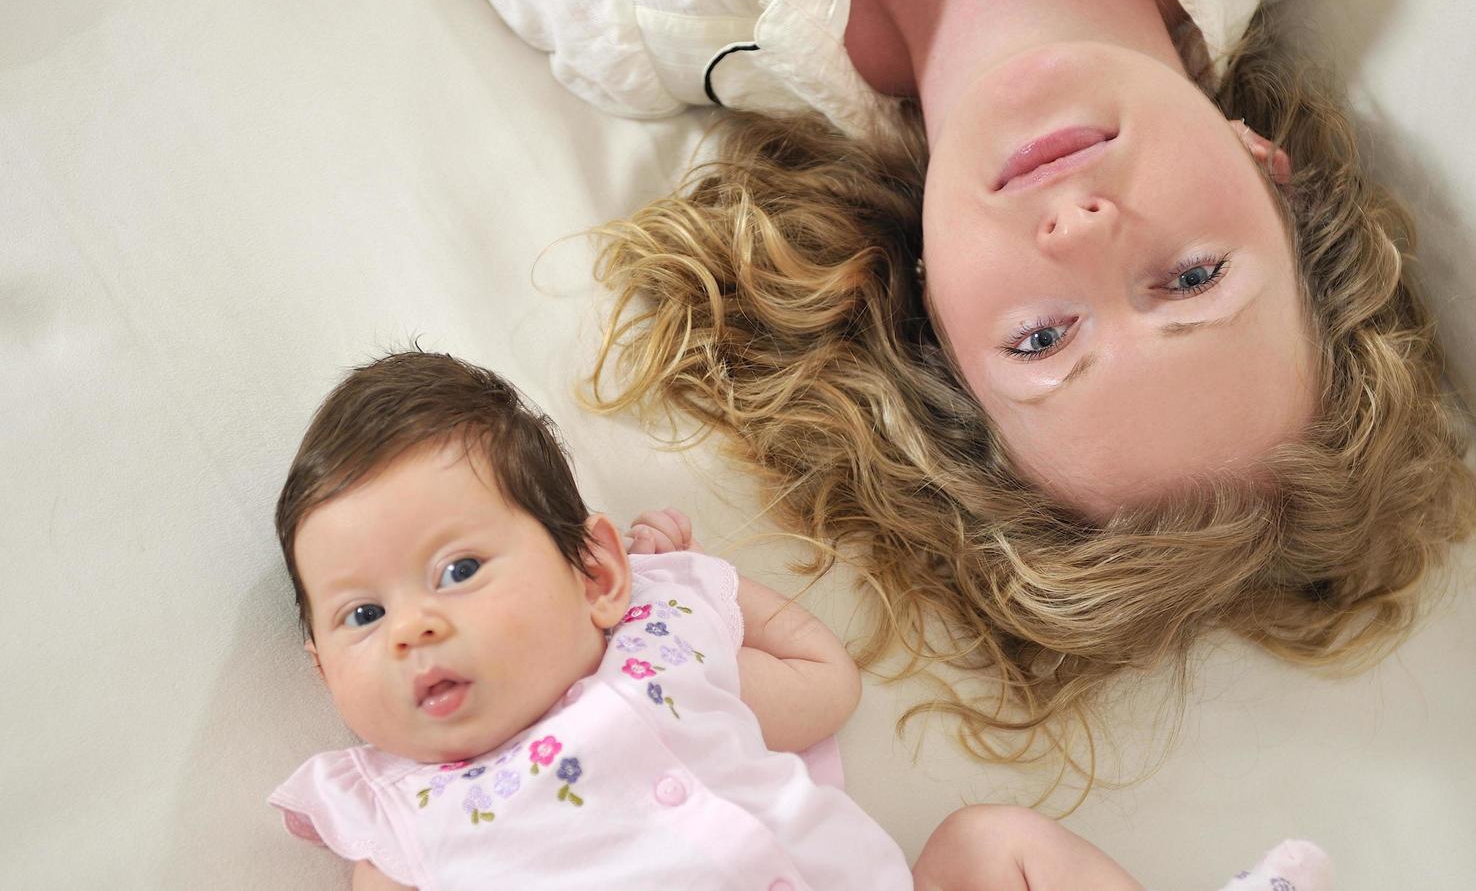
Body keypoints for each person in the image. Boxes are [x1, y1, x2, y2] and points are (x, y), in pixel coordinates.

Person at [397, 0, 1476, 758]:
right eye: (1192, 278)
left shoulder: (633, 6)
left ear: (935, 308)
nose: (1083, 231)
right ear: (1265, 167)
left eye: (1044, 338)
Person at [268, 351, 1328, 890]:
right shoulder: (404, 817)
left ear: (591, 567)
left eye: (457, 568)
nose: (412, 627)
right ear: (324, 670)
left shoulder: (663, 651)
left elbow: (826, 679)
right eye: (362, 613)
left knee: (987, 842)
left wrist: (680, 580)